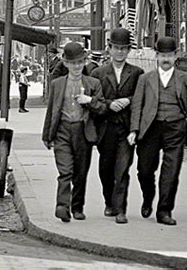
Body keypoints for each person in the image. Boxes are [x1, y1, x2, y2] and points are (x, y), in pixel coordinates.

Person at [128, 36, 187, 225]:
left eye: (169, 55)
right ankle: (148, 196)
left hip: (175, 128)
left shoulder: (186, 79)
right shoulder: (145, 79)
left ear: (175, 56)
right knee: (144, 170)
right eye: (162, 55)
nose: (166, 59)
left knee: (171, 171)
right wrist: (134, 130)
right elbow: (137, 105)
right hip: (150, 128)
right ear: (156, 56)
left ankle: (164, 210)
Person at [42, 42, 106, 223]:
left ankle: (77, 207)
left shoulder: (94, 83)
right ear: (65, 63)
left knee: (80, 172)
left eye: (80, 62)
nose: (77, 66)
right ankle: (62, 206)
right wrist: (47, 135)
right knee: (65, 171)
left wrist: (90, 101)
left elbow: (102, 108)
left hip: (82, 131)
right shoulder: (57, 84)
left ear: (85, 62)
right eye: (73, 62)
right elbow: (51, 111)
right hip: (62, 130)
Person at [91, 28, 143, 223]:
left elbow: (140, 97)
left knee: (122, 169)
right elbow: (94, 100)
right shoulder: (98, 73)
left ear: (129, 50)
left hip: (126, 129)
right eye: (116, 48)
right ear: (109, 49)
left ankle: (120, 209)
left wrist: (128, 100)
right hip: (105, 128)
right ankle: (109, 202)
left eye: (124, 48)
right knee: (106, 168)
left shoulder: (137, 73)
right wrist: (109, 104)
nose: (120, 52)